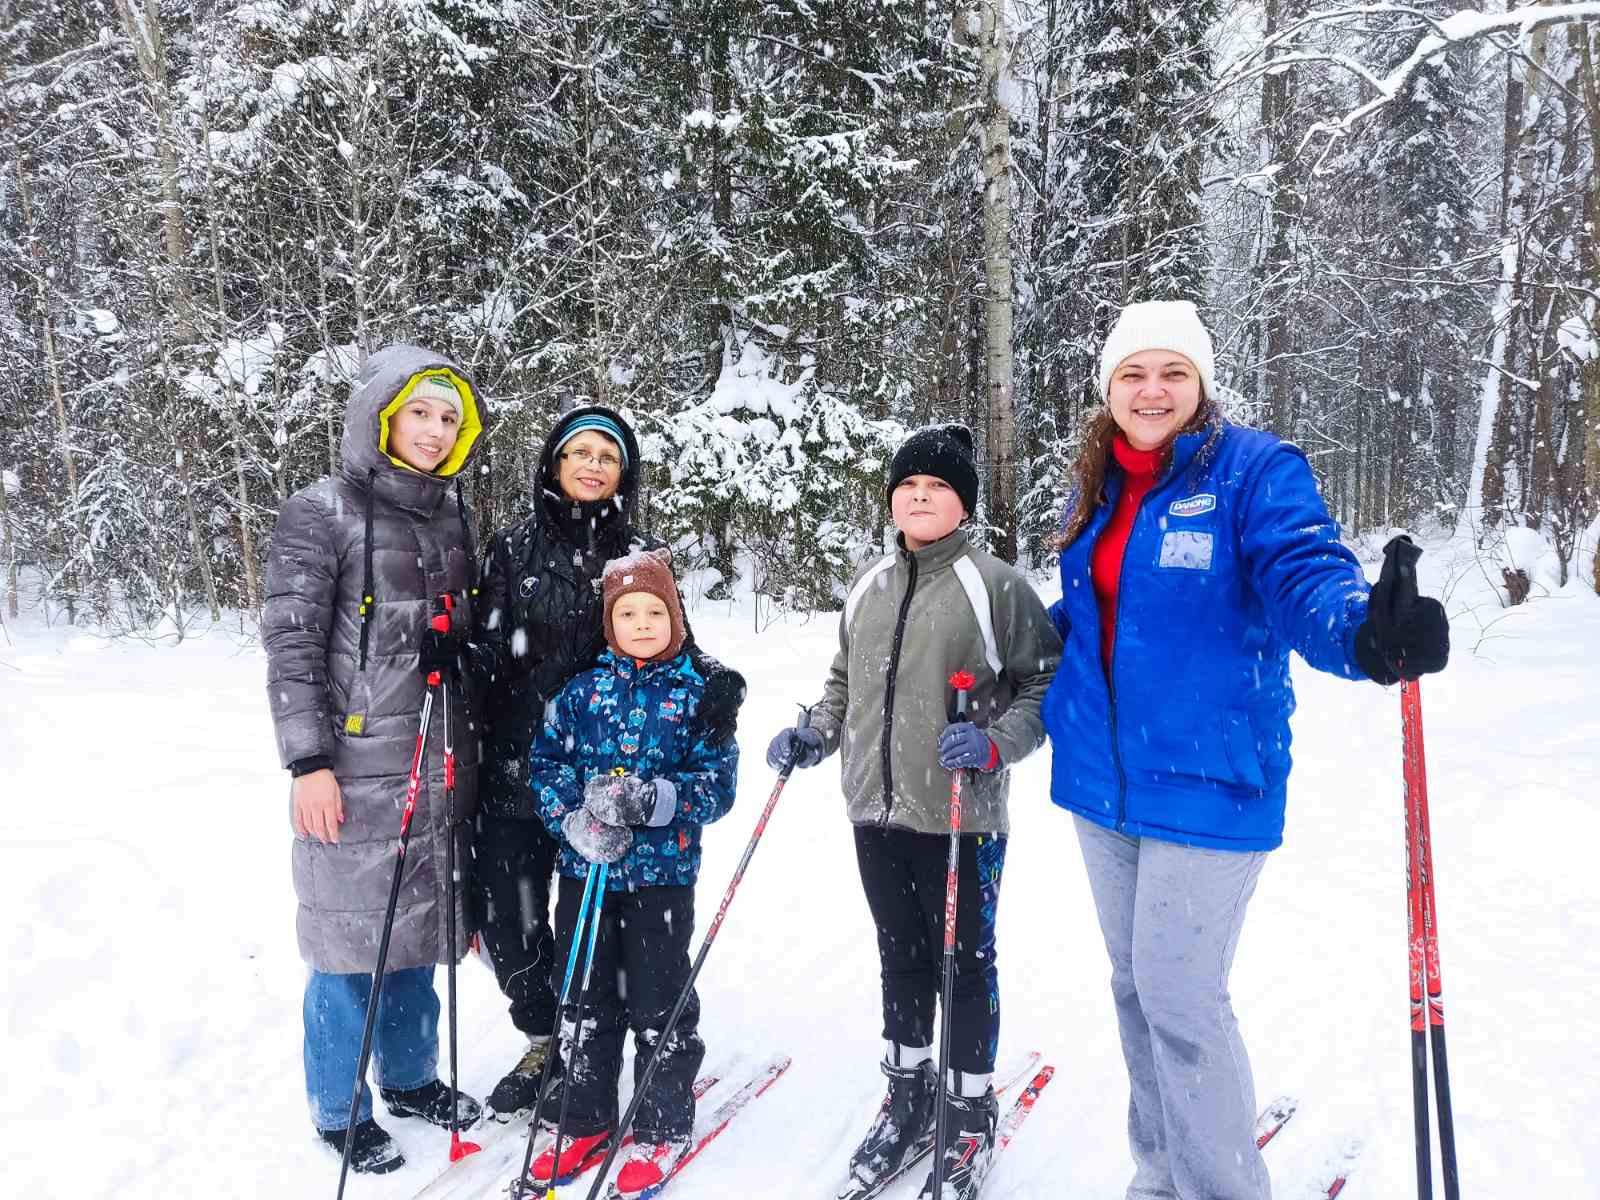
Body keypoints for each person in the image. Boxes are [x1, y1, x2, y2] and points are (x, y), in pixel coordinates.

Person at [1041, 300, 1451, 1200]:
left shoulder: (1255, 472)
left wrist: (1365, 634)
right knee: (1135, 988)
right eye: (1134, 374)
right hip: (1101, 780)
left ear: (1202, 384)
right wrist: (1020, 651)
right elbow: (1097, 613)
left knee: (1180, 995)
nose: (1153, 390)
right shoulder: (1101, 480)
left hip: (1209, 779)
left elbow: (1304, 574)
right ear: (1108, 386)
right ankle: (1160, 1175)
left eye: (1173, 373)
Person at [765, 425, 1062, 1200]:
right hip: (874, 807)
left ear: (962, 503)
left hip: (961, 813)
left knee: (964, 963)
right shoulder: (870, 582)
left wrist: (997, 743)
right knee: (899, 953)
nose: (919, 497)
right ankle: (907, 1092)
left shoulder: (995, 584)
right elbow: (844, 678)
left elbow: (1044, 683)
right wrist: (816, 733)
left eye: (936, 487)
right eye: (907, 487)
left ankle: (968, 1108)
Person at [469, 406, 744, 1120]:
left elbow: (670, 639)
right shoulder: (513, 548)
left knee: (606, 930)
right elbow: (489, 647)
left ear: (624, 473)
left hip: (612, 771)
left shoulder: (639, 550)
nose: (593, 465)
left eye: (608, 456)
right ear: (555, 464)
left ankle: (603, 1051)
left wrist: (716, 682)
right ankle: (548, 1038)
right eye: (580, 452)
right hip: (523, 764)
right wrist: (461, 662)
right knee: (513, 921)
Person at [263, 345, 488, 1174]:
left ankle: (411, 1075)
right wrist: (307, 761)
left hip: (437, 763)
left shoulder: (453, 517)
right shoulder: (320, 511)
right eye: (421, 413)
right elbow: (290, 645)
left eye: (450, 420)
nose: (434, 432)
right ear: (382, 415)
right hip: (353, 769)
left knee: (418, 935)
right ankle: (337, 1107)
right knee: (349, 945)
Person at [522, 548, 739, 1194]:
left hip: (661, 880)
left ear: (675, 618)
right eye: (627, 613)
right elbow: (546, 763)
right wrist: (571, 818)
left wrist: (655, 801)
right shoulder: (581, 691)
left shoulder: (698, 695)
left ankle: (663, 1123)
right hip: (586, 874)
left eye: (654, 612)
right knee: (584, 999)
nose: (642, 623)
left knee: (657, 1002)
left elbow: (717, 784)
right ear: (608, 622)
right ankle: (586, 1115)